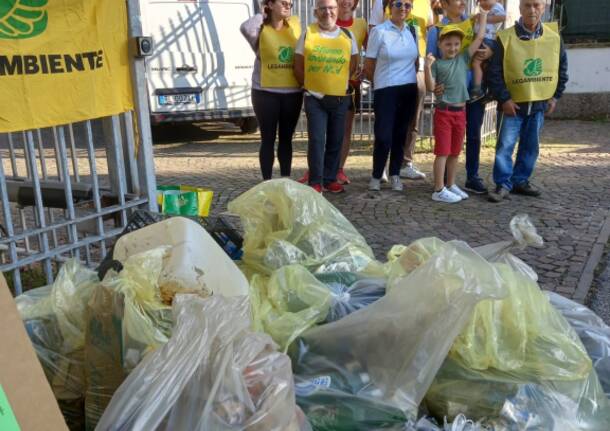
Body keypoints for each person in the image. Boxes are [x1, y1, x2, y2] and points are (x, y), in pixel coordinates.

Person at [487, 0, 568, 202]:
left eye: (536, 5)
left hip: (538, 105)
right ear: (520, 8)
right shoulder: (505, 39)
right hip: (511, 106)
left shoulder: (554, 38)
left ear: (544, 7)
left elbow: (561, 69)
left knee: (531, 146)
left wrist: (555, 96)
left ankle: (520, 180)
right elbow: (494, 72)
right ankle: (502, 184)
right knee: (505, 146)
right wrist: (504, 99)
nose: (532, 10)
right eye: (527, 5)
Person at [298, 0, 368, 186]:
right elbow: (298, 63)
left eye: (331, 8)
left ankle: (329, 179)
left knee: (336, 140)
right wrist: (307, 86)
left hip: (340, 97)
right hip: (315, 97)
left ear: (336, 11)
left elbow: (353, 62)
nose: (327, 12)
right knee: (317, 140)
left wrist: (341, 80)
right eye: (323, 9)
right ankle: (315, 181)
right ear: (315, 12)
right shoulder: (308, 33)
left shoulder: (347, 35)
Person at [427, 0, 493, 195]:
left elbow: (483, 38)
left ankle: (459, 181)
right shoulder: (437, 35)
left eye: (456, 44)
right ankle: (441, 186)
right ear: (445, 3)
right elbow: (430, 64)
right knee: (444, 149)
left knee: (462, 144)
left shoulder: (471, 28)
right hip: (446, 104)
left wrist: (484, 16)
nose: (453, 47)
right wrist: (430, 73)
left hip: (466, 100)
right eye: (449, 44)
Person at [240, 0, 303, 180]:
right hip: (264, 92)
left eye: (290, 4)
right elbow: (245, 27)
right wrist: (264, 12)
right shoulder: (259, 29)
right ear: (270, 4)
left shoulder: (296, 27)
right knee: (267, 139)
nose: (287, 6)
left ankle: (285, 179)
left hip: (292, 92)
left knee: (286, 139)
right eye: (283, 2)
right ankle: (266, 181)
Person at [369, 0, 430, 180]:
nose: (403, 8)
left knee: (401, 134)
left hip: (408, 88)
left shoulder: (413, 31)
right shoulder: (379, 31)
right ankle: (377, 174)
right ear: (389, 7)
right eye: (398, 4)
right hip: (385, 89)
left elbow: (416, 61)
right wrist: (378, 85)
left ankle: (395, 173)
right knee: (384, 135)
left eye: (407, 5)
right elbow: (370, 64)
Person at [470, 0, 506, 100]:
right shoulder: (485, 9)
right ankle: (490, 91)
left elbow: (503, 17)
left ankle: (477, 89)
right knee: (485, 65)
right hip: (484, 39)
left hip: (487, 40)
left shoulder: (496, 6)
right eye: (480, 1)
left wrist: (484, 18)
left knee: (476, 63)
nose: (483, 2)